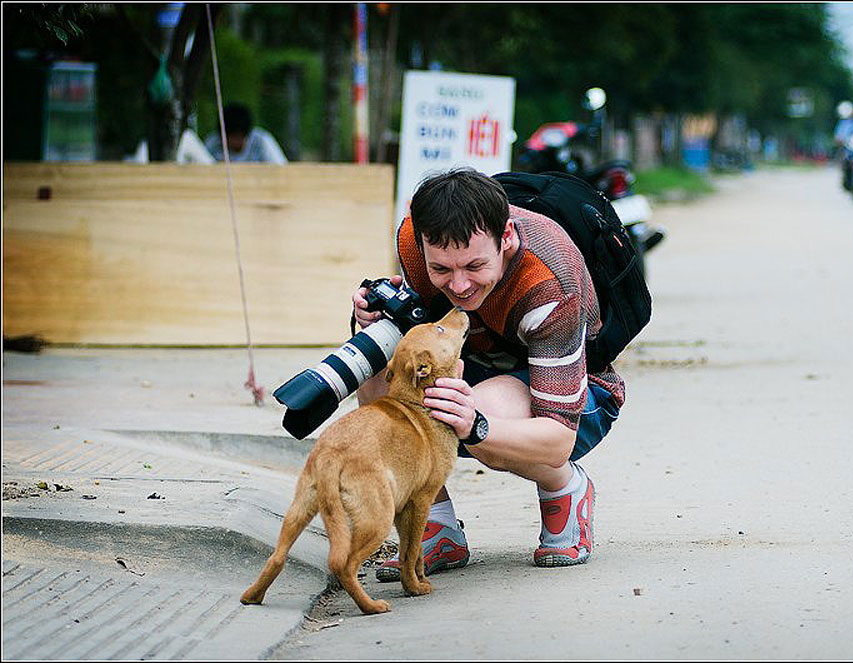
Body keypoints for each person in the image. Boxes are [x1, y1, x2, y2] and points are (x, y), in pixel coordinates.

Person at [351, 168, 625, 579]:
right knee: (379, 372)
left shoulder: (549, 282)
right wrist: (370, 318)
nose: (459, 285)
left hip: (578, 401)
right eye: (441, 270)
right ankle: (434, 526)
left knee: (484, 409)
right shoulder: (412, 239)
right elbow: (423, 329)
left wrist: (475, 426)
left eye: (475, 266)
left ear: (507, 237)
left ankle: (565, 490)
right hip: (480, 362)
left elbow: (557, 440)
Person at [204, 103, 288, 164]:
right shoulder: (213, 144)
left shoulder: (261, 141)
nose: (235, 142)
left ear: (247, 135)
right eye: (231, 137)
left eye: (238, 137)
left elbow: (280, 167)